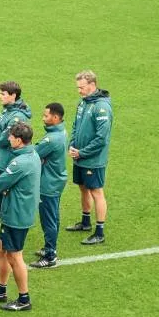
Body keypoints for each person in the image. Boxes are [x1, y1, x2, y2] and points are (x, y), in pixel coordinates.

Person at [0, 122, 40, 311]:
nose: (8, 139)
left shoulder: (20, 163)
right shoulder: (31, 154)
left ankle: (24, 299)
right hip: (18, 211)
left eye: (11, 137)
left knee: (14, 256)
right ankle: (1, 289)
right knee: (0, 247)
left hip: (16, 214)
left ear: (19, 141)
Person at [66, 71, 113, 245]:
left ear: (92, 85)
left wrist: (82, 152)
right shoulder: (83, 102)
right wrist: (72, 144)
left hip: (93, 159)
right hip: (79, 156)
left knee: (96, 192)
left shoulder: (101, 107)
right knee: (82, 188)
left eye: (82, 87)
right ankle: (85, 222)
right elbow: (75, 125)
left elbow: (102, 138)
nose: (79, 91)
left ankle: (99, 232)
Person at [0, 82, 31, 238]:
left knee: (0, 194)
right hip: (0, 158)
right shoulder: (8, 110)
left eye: (3, 94)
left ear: (13, 95)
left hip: (7, 160)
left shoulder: (17, 116)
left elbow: (3, 138)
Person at [31, 103, 67, 268]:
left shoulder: (51, 139)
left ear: (55, 117)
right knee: (54, 217)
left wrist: (39, 156)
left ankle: (50, 256)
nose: (43, 118)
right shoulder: (60, 132)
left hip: (48, 184)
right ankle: (49, 248)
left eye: (46, 116)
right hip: (56, 180)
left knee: (49, 220)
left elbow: (33, 154)